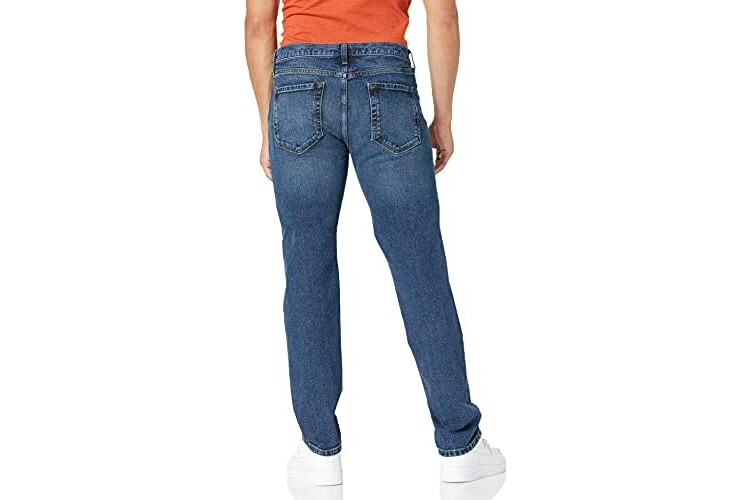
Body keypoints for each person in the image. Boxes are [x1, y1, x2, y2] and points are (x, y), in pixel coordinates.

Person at [245, 0, 505, 485]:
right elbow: (443, 16)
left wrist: (267, 126)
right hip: (386, 81)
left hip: (298, 84)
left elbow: (259, 25)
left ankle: (318, 453)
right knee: (420, 266)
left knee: (307, 270)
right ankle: (461, 447)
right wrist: (444, 118)